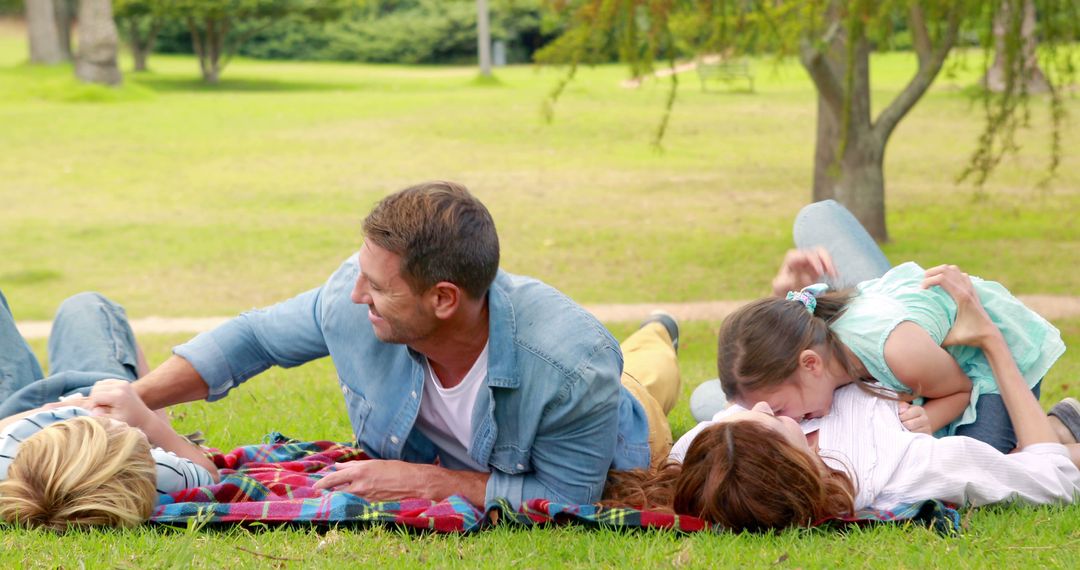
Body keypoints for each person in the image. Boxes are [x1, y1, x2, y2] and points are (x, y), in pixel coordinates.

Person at [123, 181, 686, 508]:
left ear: (444, 298)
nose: (355, 294)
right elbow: (251, 339)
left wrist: (427, 481)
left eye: (379, 287)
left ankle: (661, 329)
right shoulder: (356, 291)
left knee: (650, 372)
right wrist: (136, 399)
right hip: (575, 373)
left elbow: (567, 498)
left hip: (625, 422)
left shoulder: (573, 368)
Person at [604, 266, 1080, 531]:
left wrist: (782, 301)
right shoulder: (898, 471)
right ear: (789, 460)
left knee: (710, 397)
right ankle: (1059, 428)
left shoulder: (706, 453)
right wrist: (992, 340)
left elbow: (751, 401)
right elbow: (1051, 476)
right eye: (771, 421)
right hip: (955, 357)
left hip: (880, 328)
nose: (759, 410)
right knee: (1040, 455)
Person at [0, 291, 218, 530]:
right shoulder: (152, 474)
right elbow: (210, 475)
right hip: (102, 389)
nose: (140, 433)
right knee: (88, 305)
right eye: (141, 438)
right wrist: (145, 416)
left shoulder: (9, 458)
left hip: (16, 413)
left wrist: (57, 408)